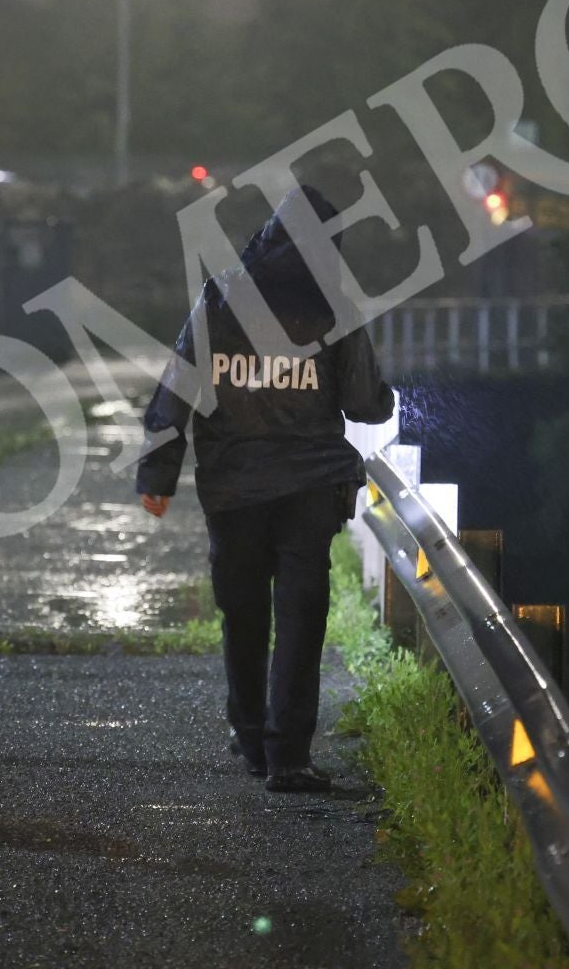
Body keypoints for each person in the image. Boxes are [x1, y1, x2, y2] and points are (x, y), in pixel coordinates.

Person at [136, 185, 395, 793]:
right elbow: (363, 403)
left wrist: (158, 475)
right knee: (302, 617)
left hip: (234, 488)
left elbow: (178, 386)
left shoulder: (221, 295)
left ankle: (252, 738)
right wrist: (387, 401)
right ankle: (289, 758)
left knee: (244, 614)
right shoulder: (333, 306)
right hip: (308, 488)